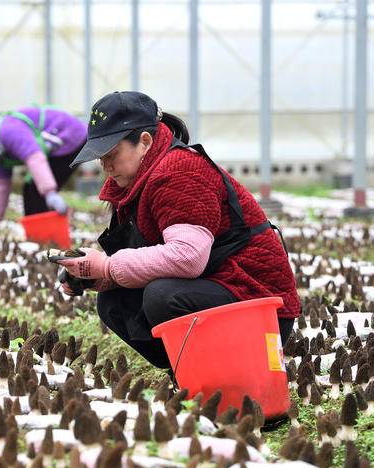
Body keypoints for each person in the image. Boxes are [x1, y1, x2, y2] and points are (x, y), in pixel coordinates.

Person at [56, 91, 301, 371]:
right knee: (113, 301)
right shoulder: (138, 181)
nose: (106, 167)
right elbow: (153, 257)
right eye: (101, 158)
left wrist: (109, 266)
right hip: (217, 288)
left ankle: (222, 374)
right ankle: (189, 375)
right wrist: (95, 276)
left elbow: (187, 257)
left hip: (260, 304)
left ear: (145, 142)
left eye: (112, 154)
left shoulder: (179, 172)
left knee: (163, 296)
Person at [0, 106, 87, 235]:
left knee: (35, 190)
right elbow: (0, 186)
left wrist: (50, 193)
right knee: (30, 189)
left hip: (69, 135)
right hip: (54, 147)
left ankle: (48, 236)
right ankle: (41, 236)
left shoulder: (7, 130)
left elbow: (34, 158)